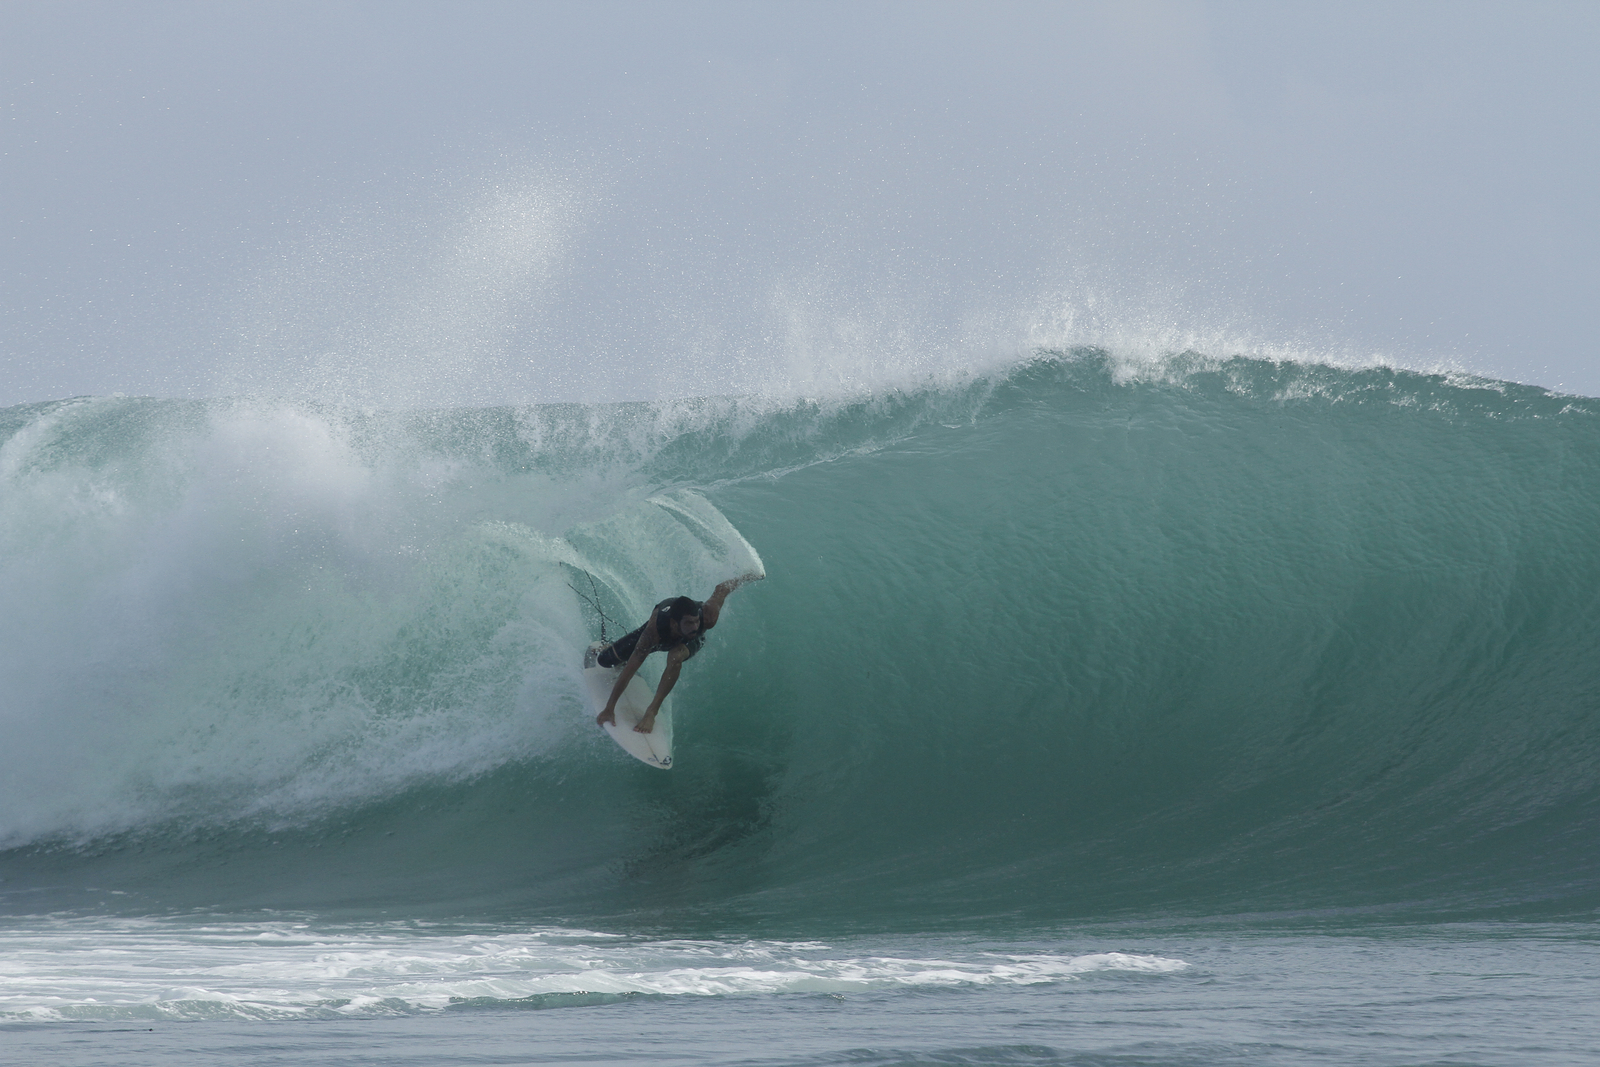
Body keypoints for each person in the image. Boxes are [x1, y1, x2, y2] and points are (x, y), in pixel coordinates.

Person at [589, 574, 761, 734]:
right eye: (689, 623)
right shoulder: (653, 632)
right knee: (605, 661)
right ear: (673, 623)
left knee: (676, 655)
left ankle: (651, 712)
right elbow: (632, 668)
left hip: (688, 643)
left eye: (696, 621)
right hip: (661, 637)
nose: (695, 627)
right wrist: (609, 708)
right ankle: (611, 649)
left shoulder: (707, 617)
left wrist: (752, 574)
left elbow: (722, 588)